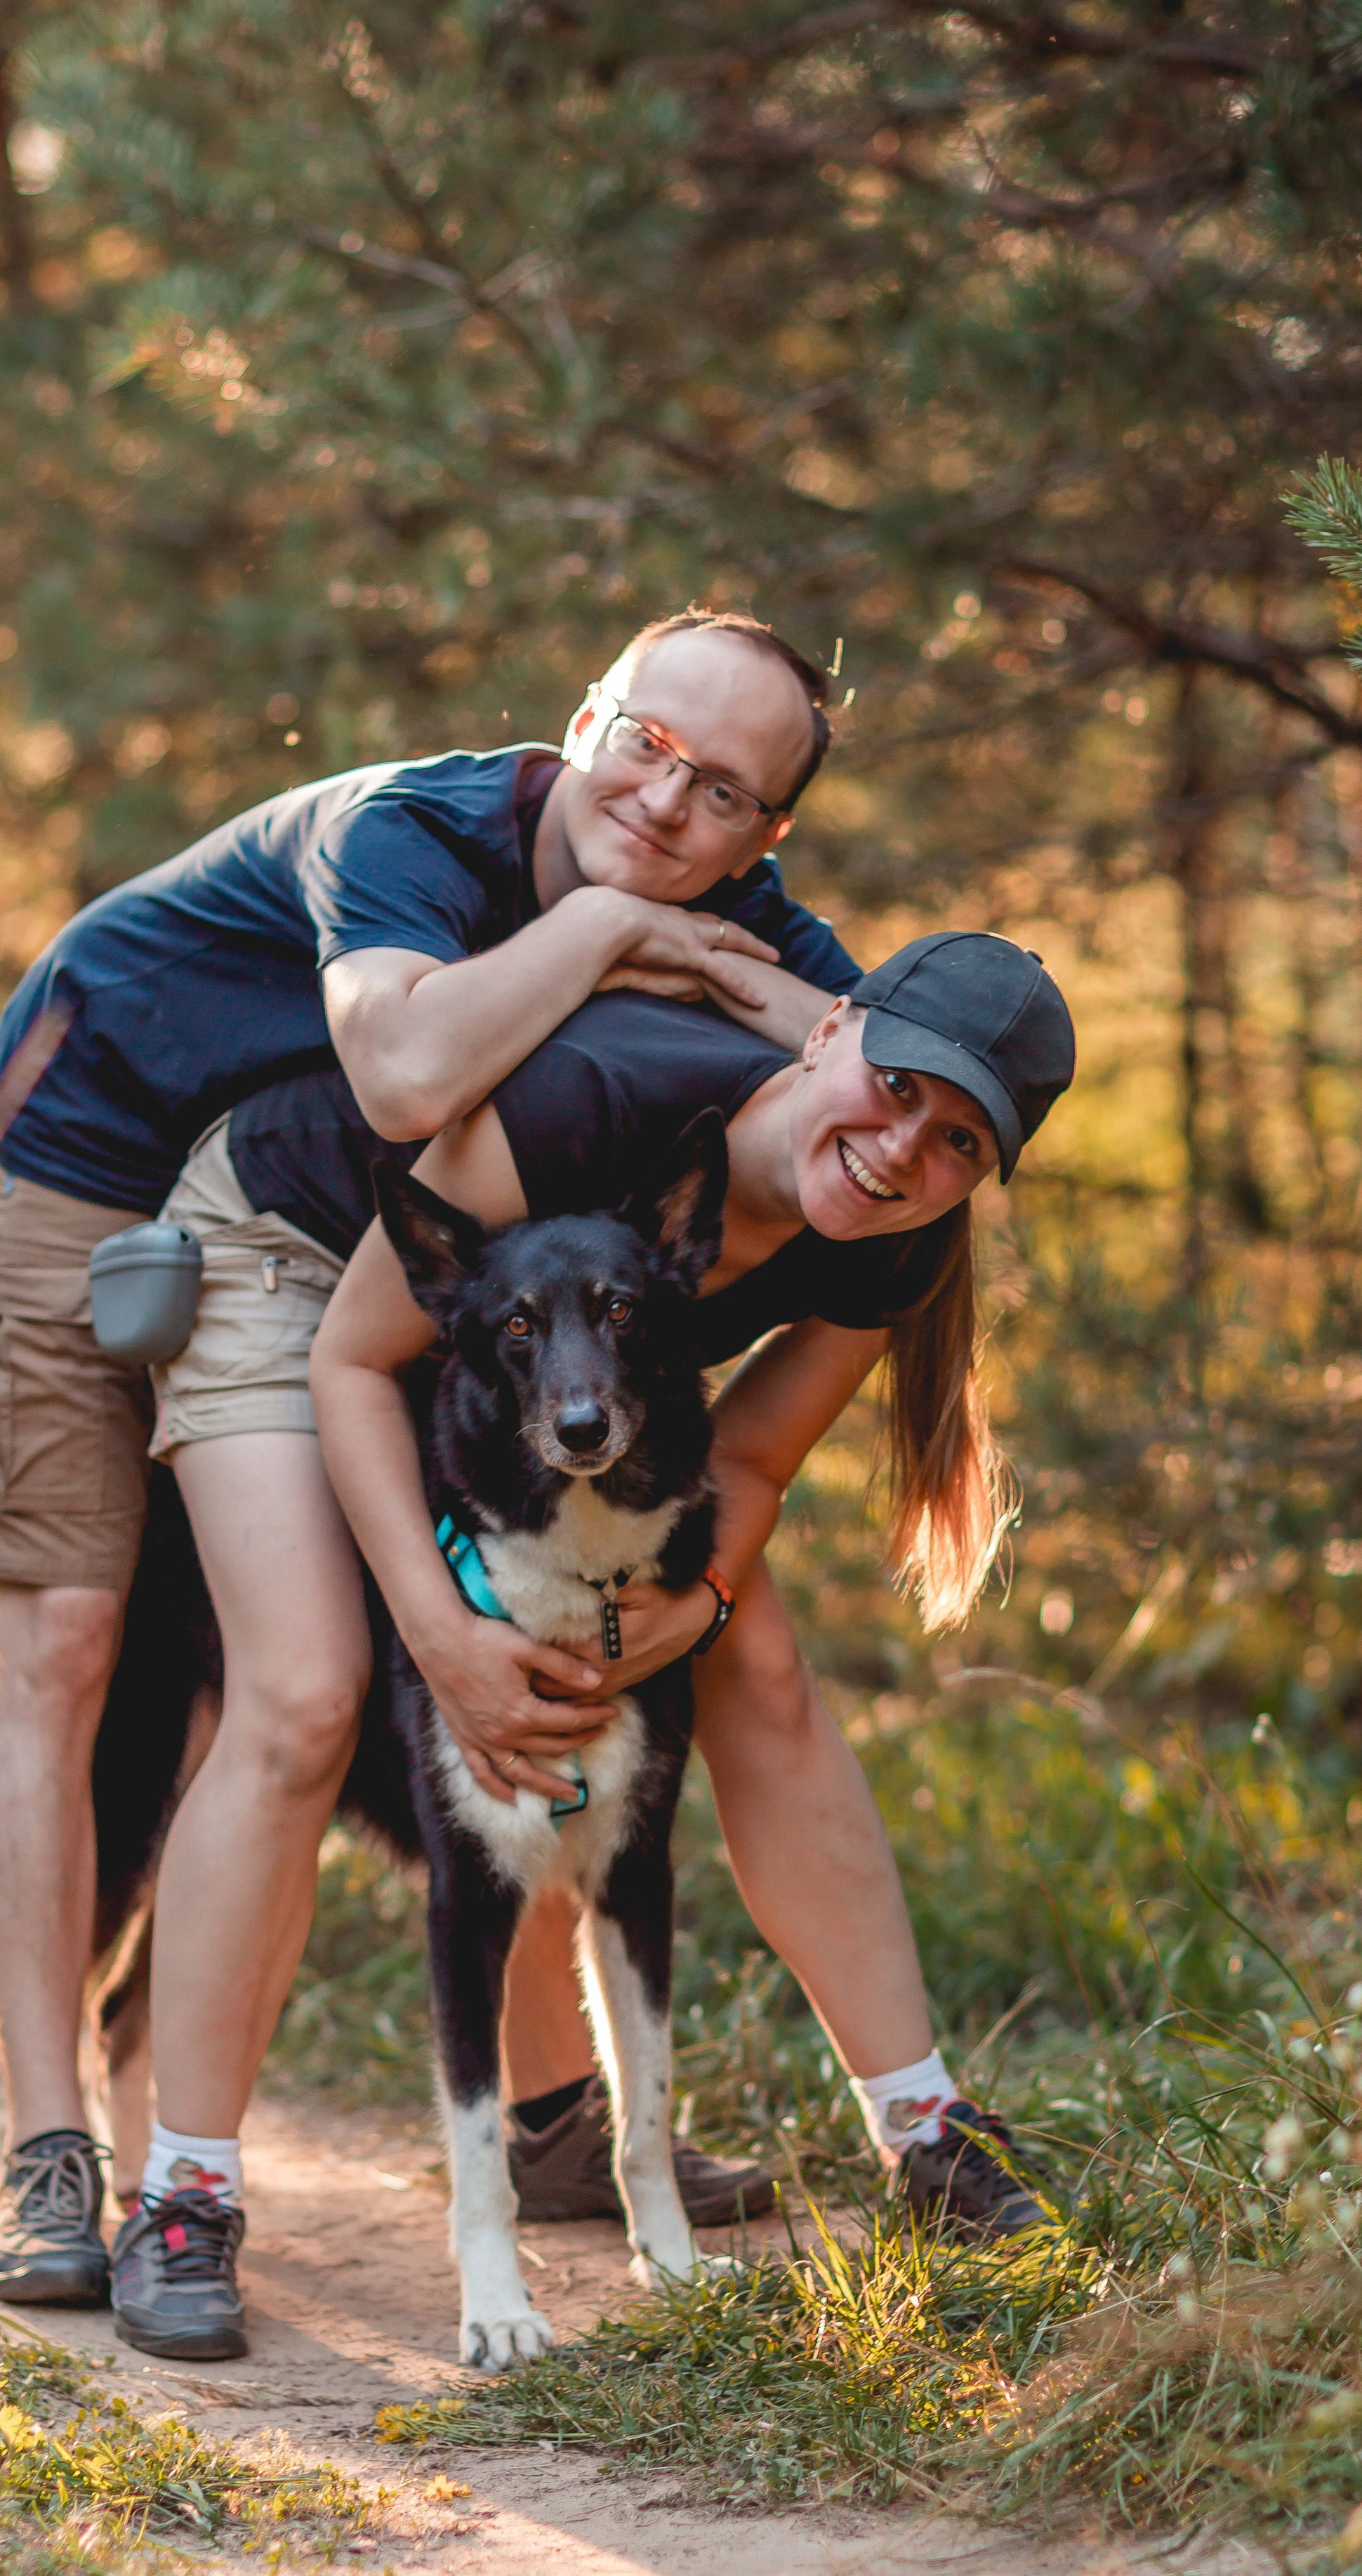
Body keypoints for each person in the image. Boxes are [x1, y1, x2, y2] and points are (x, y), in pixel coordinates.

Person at [0, 609, 858, 2309]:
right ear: (586, 716)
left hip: (326, 1231)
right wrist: (609, 933)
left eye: (723, 794)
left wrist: (722, 962)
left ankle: (553, 2121)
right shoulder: (411, 829)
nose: (666, 807)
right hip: (90, 1159)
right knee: (72, 1634)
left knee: (482, 1658)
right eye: (645, 747)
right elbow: (405, 1060)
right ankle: (50, 2156)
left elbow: (871, 1062)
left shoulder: (713, 886)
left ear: (765, 834)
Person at [101, 933, 1073, 2362]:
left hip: (530, 1368)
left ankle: (919, 2125)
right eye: (897, 1091)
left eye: (954, 1142)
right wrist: (436, 1633)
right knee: (307, 1689)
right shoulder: (586, 1099)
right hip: (305, 1260)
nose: (899, 1152)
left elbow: (746, 1462)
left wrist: (688, 1612)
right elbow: (356, 1359)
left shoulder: (896, 1222)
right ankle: (181, 2192)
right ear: (830, 1036)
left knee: (757, 1668)